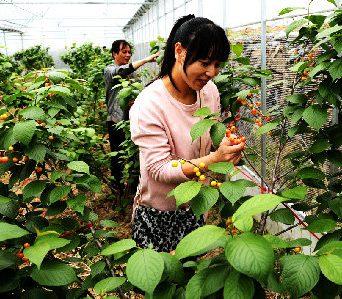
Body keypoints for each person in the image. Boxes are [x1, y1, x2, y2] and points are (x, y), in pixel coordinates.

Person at [129, 15, 244, 252]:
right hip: (158, 215)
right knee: (159, 282)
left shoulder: (209, 91)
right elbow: (159, 169)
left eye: (218, 64)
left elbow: (212, 134)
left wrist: (226, 146)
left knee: (189, 276)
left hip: (196, 205)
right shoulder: (149, 104)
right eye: (204, 62)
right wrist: (214, 159)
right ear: (179, 51)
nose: (212, 72)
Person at [104, 40, 158, 197]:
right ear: (114, 54)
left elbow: (137, 91)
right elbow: (121, 72)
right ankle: (117, 190)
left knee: (135, 155)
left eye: (129, 52)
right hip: (116, 120)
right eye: (124, 52)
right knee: (118, 157)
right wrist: (147, 60)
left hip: (131, 120)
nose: (128, 55)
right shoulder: (110, 70)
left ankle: (133, 190)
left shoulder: (131, 73)